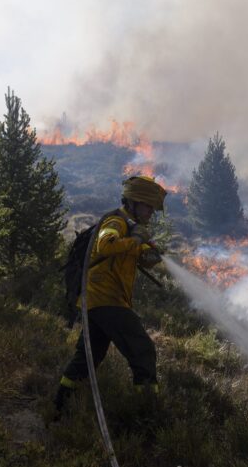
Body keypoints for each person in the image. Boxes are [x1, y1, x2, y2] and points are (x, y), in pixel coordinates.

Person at [55, 176, 167, 413]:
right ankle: (148, 412)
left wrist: (148, 253)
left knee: (88, 357)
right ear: (133, 202)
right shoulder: (117, 222)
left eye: (152, 208)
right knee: (142, 350)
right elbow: (105, 245)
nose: (150, 212)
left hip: (96, 300)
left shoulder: (130, 226)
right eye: (148, 206)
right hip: (107, 299)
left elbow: (137, 256)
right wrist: (136, 238)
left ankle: (59, 408)